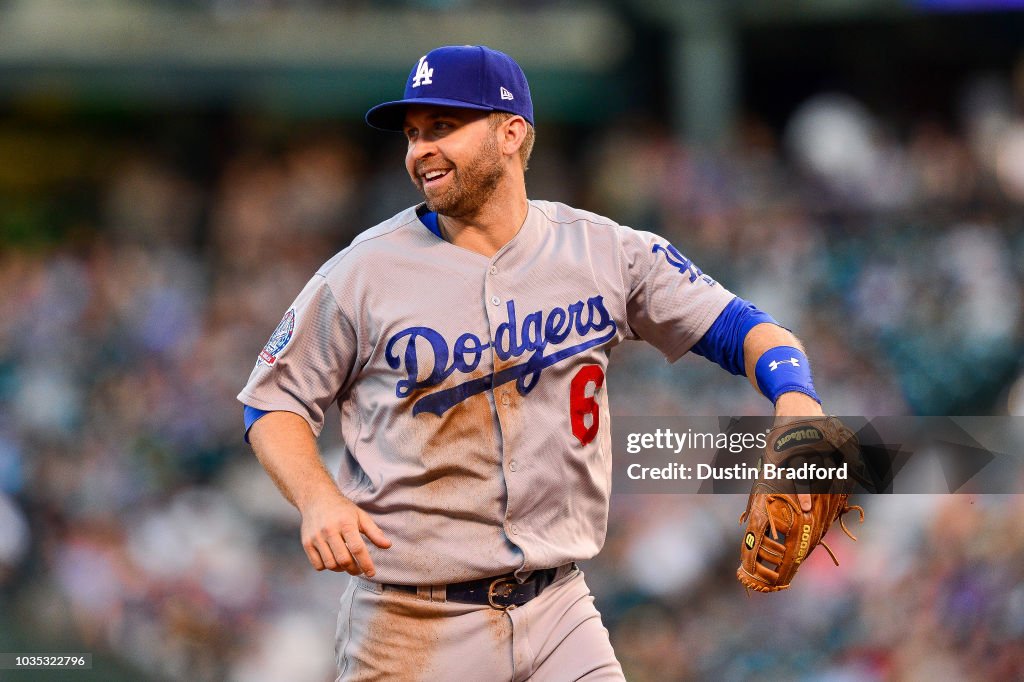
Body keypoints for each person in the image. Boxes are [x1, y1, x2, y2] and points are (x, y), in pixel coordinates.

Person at [238, 45, 825, 681]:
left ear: (511, 132)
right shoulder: (363, 270)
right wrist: (318, 500)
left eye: (442, 128)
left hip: (558, 607)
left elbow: (743, 328)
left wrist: (797, 399)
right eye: (412, 135)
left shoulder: (603, 251)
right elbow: (271, 401)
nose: (419, 151)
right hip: (411, 623)